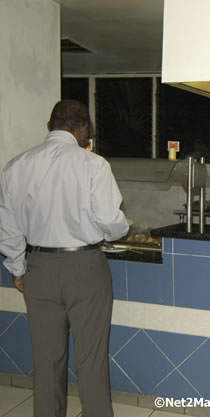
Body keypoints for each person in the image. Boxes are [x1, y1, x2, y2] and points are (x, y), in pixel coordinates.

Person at [0, 100, 129, 417]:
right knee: (91, 358)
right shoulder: (94, 165)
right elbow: (111, 223)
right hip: (85, 268)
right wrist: (119, 230)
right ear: (83, 127)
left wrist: (18, 268)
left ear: (50, 126)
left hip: (39, 267)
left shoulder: (17, 165)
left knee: (46, 359)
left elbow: (7, 227)